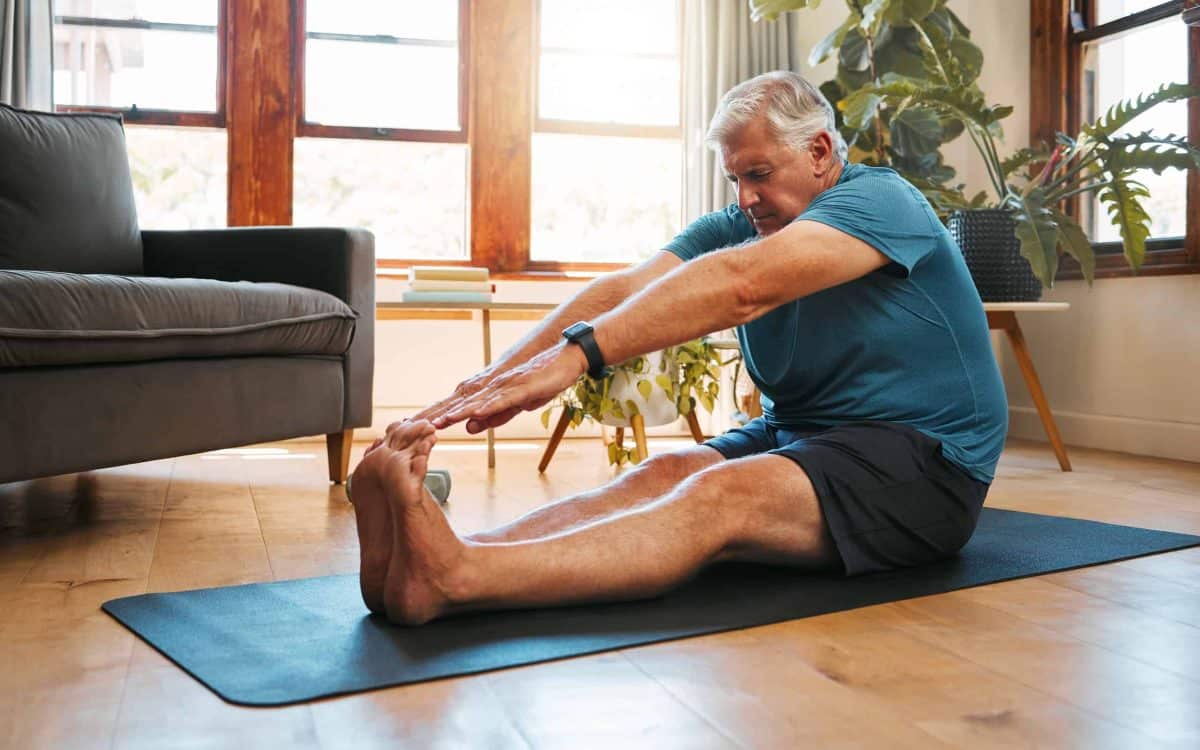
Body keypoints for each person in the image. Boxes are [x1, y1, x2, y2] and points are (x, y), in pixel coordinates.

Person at [349, 71, 1008, 626]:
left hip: (927, 463)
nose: (747, 197)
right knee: (659, 475)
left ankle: (457, 577)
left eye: (760, 173)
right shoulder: (743, 221)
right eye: (736, 179)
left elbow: (742, 286)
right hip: (804, 433)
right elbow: (628, 289)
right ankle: (441, 553)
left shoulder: (883, 201)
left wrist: (575, 358)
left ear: (819, 150)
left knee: (720, 494)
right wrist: (488, 380)